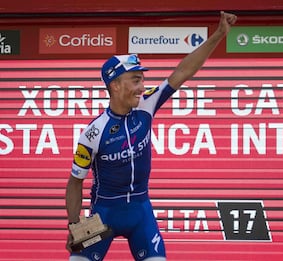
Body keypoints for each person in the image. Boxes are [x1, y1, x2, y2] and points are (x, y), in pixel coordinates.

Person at [65, 11, 237, 261]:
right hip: (101, 218)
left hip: (140, 213)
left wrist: (218, 35)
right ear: (115, 85)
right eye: (135, 80)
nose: (142, 87)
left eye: (143, 79)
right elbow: (74, 182)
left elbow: (182, 72)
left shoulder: (147, 104)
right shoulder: (93, 132)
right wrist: (73, 224)